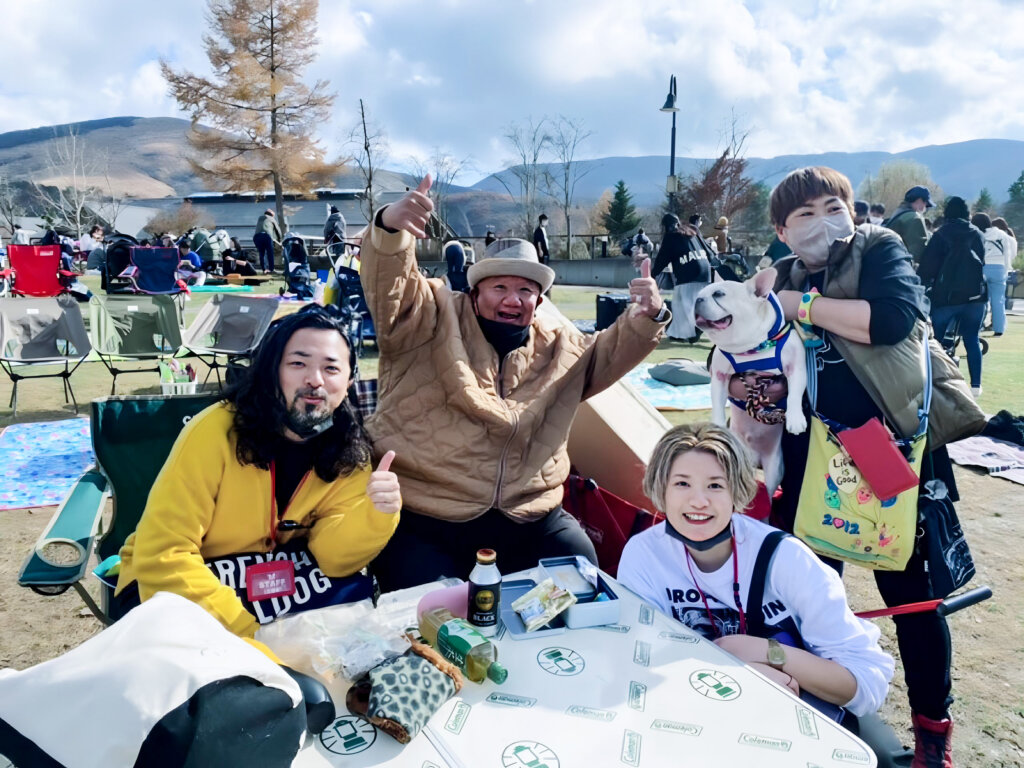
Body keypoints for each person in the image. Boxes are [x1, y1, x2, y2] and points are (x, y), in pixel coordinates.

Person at [758, 167, 976, 766]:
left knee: (911, 600)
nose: (823, 221)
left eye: (834, 207)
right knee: (805, 592)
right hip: (811, 459)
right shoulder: (783, 272)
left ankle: (932, 733)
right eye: (805, 214)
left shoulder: (879, 247)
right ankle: (816, 710)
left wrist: (802, 306)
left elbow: (891, 320)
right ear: (782, 230)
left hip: (887, 450)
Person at [361, 175, 669, 592]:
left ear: (538, 301)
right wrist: (390, 230)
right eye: (500, 287)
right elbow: (392, 291)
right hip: (430, 511)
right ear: (474, 293)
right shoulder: (428, 318)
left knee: (580, 576)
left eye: (525, 289)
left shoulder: (562, 347)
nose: (513, 299)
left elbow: (611, 353)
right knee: (435, 607)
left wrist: (647, 317)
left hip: (529, 514)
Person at [114, 305, 401, 650]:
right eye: (298, 364)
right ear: (270, 371)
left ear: (349, 382)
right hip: (180, 589)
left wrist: (375, 515)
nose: (315, 380)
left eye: (331, 368)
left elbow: (332, 559)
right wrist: (246, 634)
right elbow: (163, 554)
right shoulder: (213, 432)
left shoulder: (348, 451)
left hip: (280, 587)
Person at [618, 423, 893, 723]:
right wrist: (747, 674)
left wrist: (768, 652)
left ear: (737, 491)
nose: (699, 501)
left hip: (800, 713)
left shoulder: (786, 558)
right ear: (661, 489)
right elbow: (639, 659)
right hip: (694, 712)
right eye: (682, 484)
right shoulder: (644, 555)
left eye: (715, 485)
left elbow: (866, 682)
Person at [918, 197, 987, 396]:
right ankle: (976, 385)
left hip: (946, 297)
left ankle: (935, 380)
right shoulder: (977, 234)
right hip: (975, 297)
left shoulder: (941, 234)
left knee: (936, 340)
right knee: (972, 338)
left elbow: (927, 268)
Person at [651, 212, 711, 342]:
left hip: (688, 273)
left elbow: (662, 260)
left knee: (683, 305)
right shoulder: (692, 231)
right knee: (688, 304)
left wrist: (652, 275)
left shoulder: (670, 237)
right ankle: (681, 333)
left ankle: (692, 330)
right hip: (705, 271)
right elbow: (708, 250)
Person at [972, 213, 1013, 337]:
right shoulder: (1001, 234)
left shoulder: (976, 234)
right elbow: (1008, 252)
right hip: (999, 268)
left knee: (981, 299)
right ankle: (999, 329)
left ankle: (978, 326)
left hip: (981, 268)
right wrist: (1006, 267)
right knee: (998, 300)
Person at [885, 186, 933, 263]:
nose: (925, 207)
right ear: (919, 200)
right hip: (903, 265)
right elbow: (917, 251)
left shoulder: (899, 213)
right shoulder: (915, 218)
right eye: (925, 203)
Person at [254, 208, 282, 274]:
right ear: (272, 215)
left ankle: (264, 269)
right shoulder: (271, 218)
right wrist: (280, 240)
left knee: (262, 253)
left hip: (257, 237)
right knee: (270, 253)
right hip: (267, 236)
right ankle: (271, 269)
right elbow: (278, 230)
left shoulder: (260, 218)